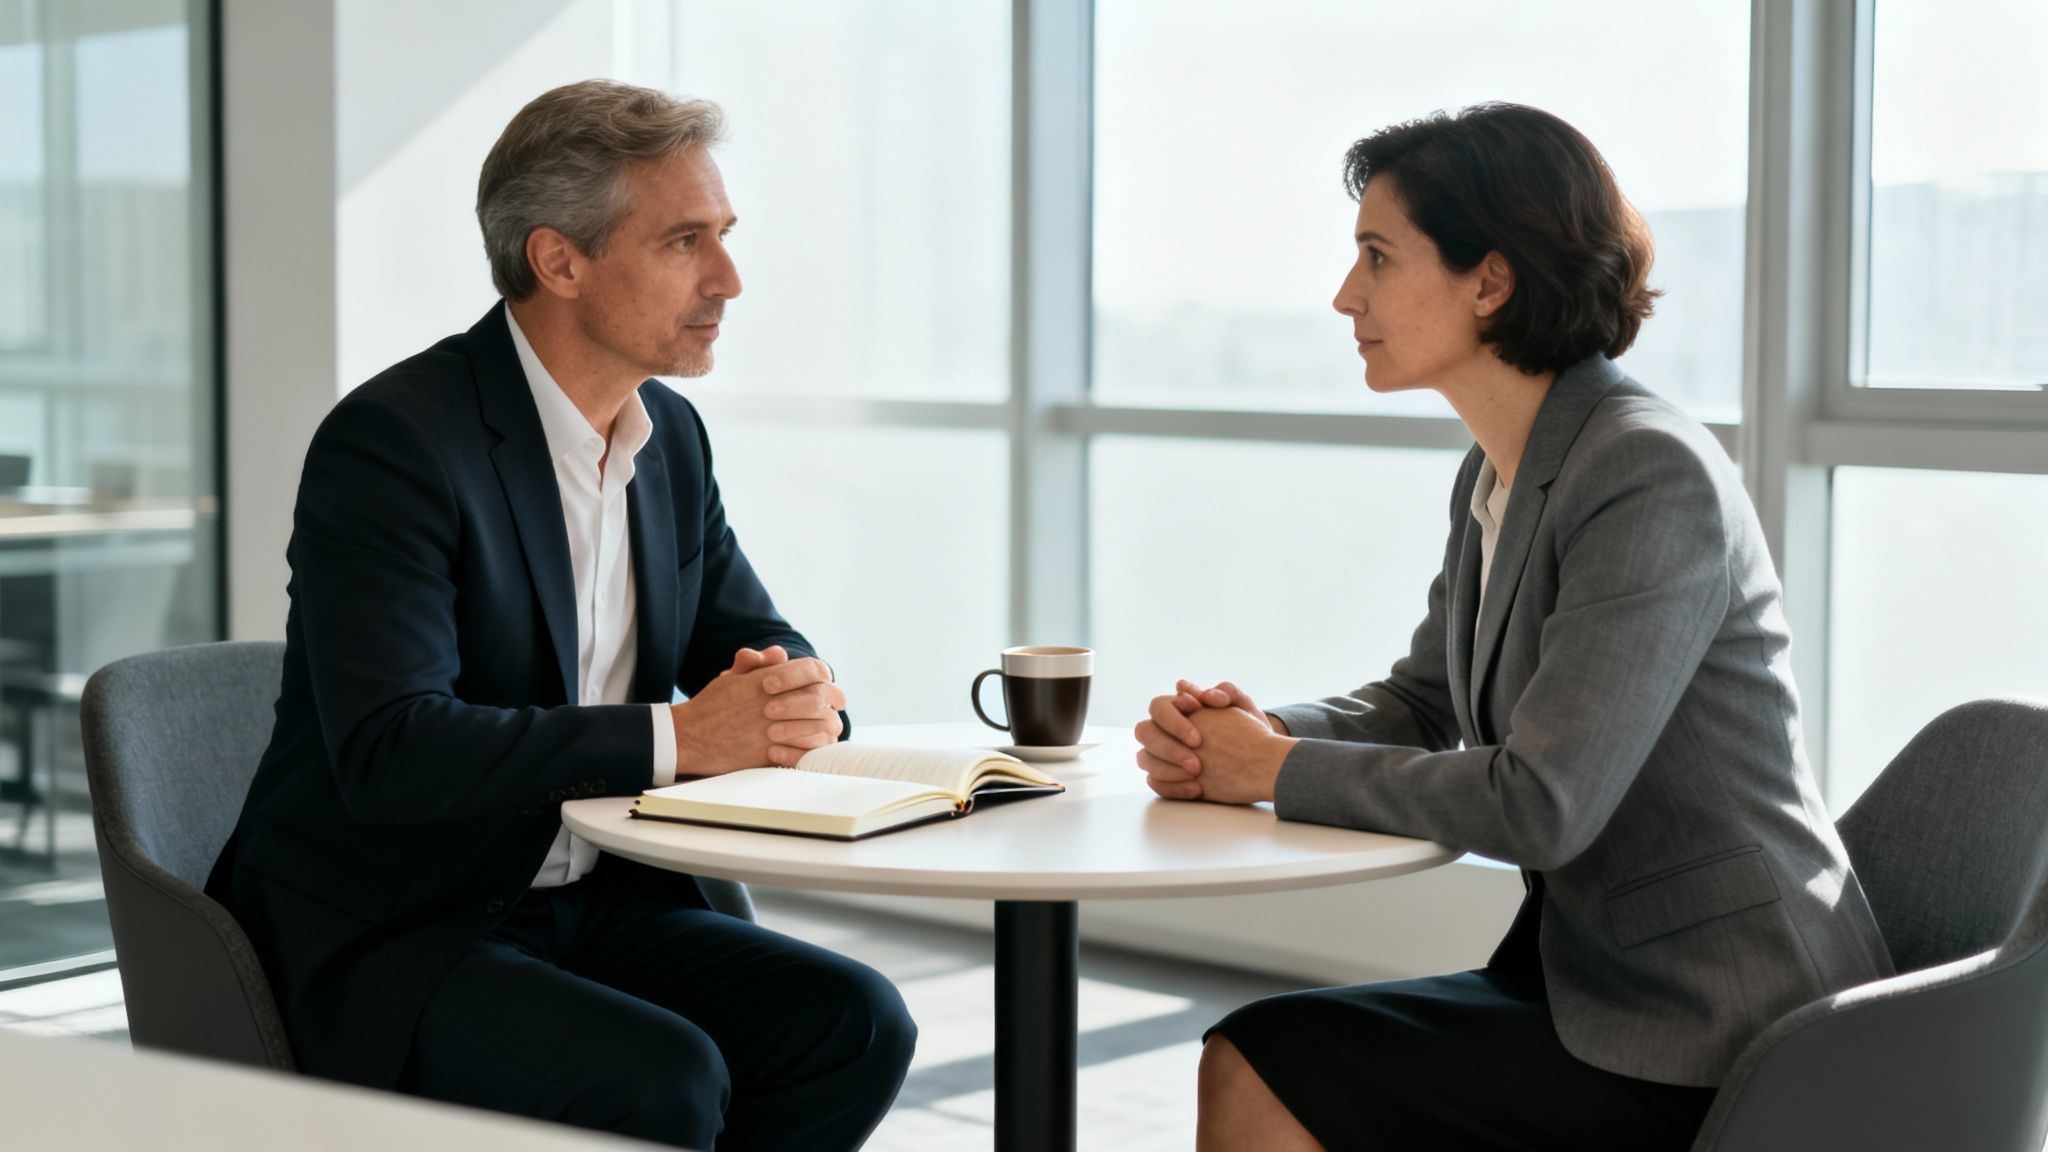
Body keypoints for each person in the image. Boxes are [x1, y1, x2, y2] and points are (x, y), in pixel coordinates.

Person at [1133, 103, 1894, 1151]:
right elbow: (1422, 701)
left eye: (1375, 255)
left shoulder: (1642, 469)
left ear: (1487, 281)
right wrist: (1253, 729)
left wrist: (1267, 768)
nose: (1343, 295)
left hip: (1723, 1026)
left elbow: (1543, 803)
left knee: (1264, 1062)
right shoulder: (1506, 463)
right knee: (1265, 1054)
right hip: (1594, 980)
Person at [205, 80, 915, 1150]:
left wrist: (792, 692)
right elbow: (394, 750)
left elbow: (742, 634)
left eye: (722, 235)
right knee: (660, 1079)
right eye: (684, 242)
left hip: (599, 901)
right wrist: (683, 735)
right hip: (402, 923)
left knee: (852, 1023)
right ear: (559, 260)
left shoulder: (665, 437)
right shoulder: (395, 445)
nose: (729, 278)